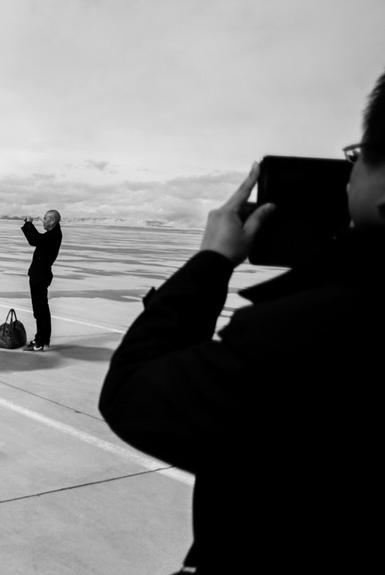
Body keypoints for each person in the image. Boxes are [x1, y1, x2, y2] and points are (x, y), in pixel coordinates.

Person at [99, 69, 385, 573]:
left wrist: (211, 264)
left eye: (358, 158)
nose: (348, 177)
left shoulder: (313, 329)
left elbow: (133, 394)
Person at [21, 210, 62, 351]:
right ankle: (44, 339)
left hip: (40, 276)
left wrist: (28, 224)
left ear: (52, 222)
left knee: (40, 310)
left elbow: (35, 240)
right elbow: (37, 240)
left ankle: (39, 342)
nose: (43, 221)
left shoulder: (53, 235)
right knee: (43, 308)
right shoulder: (53, 234)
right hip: (40, 275)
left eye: (45, 219)